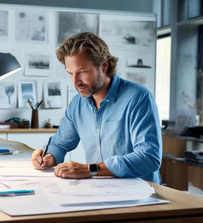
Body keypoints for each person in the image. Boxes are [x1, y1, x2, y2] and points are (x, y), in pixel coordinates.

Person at [31, 32, 162, 184]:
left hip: (142, 194)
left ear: (104, 66)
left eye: (82, 72)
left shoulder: (138, 98)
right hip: (99, 191)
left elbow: (149, 157)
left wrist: (90, 169)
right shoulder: (78, 103)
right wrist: (48, 156)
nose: (75, 82)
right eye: (70, 73)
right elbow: (60, 144)